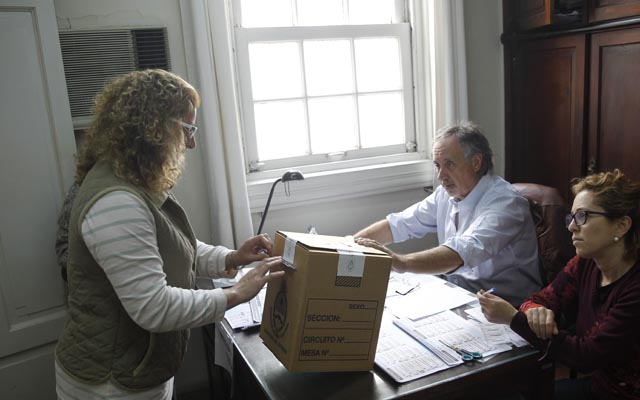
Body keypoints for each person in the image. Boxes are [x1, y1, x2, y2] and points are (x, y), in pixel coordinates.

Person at [55, 69, 285, 399]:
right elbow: (153, 307)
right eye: (188, 129)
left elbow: (172, 246)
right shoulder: (116, 202)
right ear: (155, 126)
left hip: (137, 371)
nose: (191, 142)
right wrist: (235, 295)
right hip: (109, 385)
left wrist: (230, 258)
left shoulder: (135, 178)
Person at [478, 169, 640, 400]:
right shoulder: (585, 263)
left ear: (622, 225)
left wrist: (514, 318)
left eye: (583, 216)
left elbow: (586, 356)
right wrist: (534, 311)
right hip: (599, 386)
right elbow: (541, 299)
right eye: (571, 217)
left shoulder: (634, 289)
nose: (572, 226)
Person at [354, 122, 542, 306]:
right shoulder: (445, 195)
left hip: (506, 308)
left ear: (476, 162)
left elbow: (461, 252)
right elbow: (399, 224)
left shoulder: (506, 203)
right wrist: (351, 244)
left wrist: (401, 263)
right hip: (458, 296)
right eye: (437, 165)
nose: (440, 176)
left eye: (449, 164)